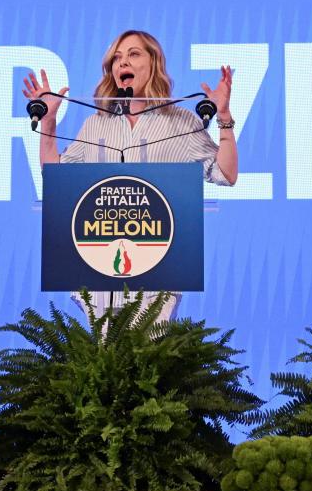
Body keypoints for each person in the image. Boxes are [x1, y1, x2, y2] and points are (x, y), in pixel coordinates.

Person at [23, 29, 237, 320]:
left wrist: (224, 118)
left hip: (159, 273)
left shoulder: (181, 122)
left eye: (133, 54)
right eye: (117, 58)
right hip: (98, 273)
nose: (122, 63)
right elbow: (57, 181)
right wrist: (48, 123)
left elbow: (225, 172)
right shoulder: (95, 125)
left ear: (153, 63)